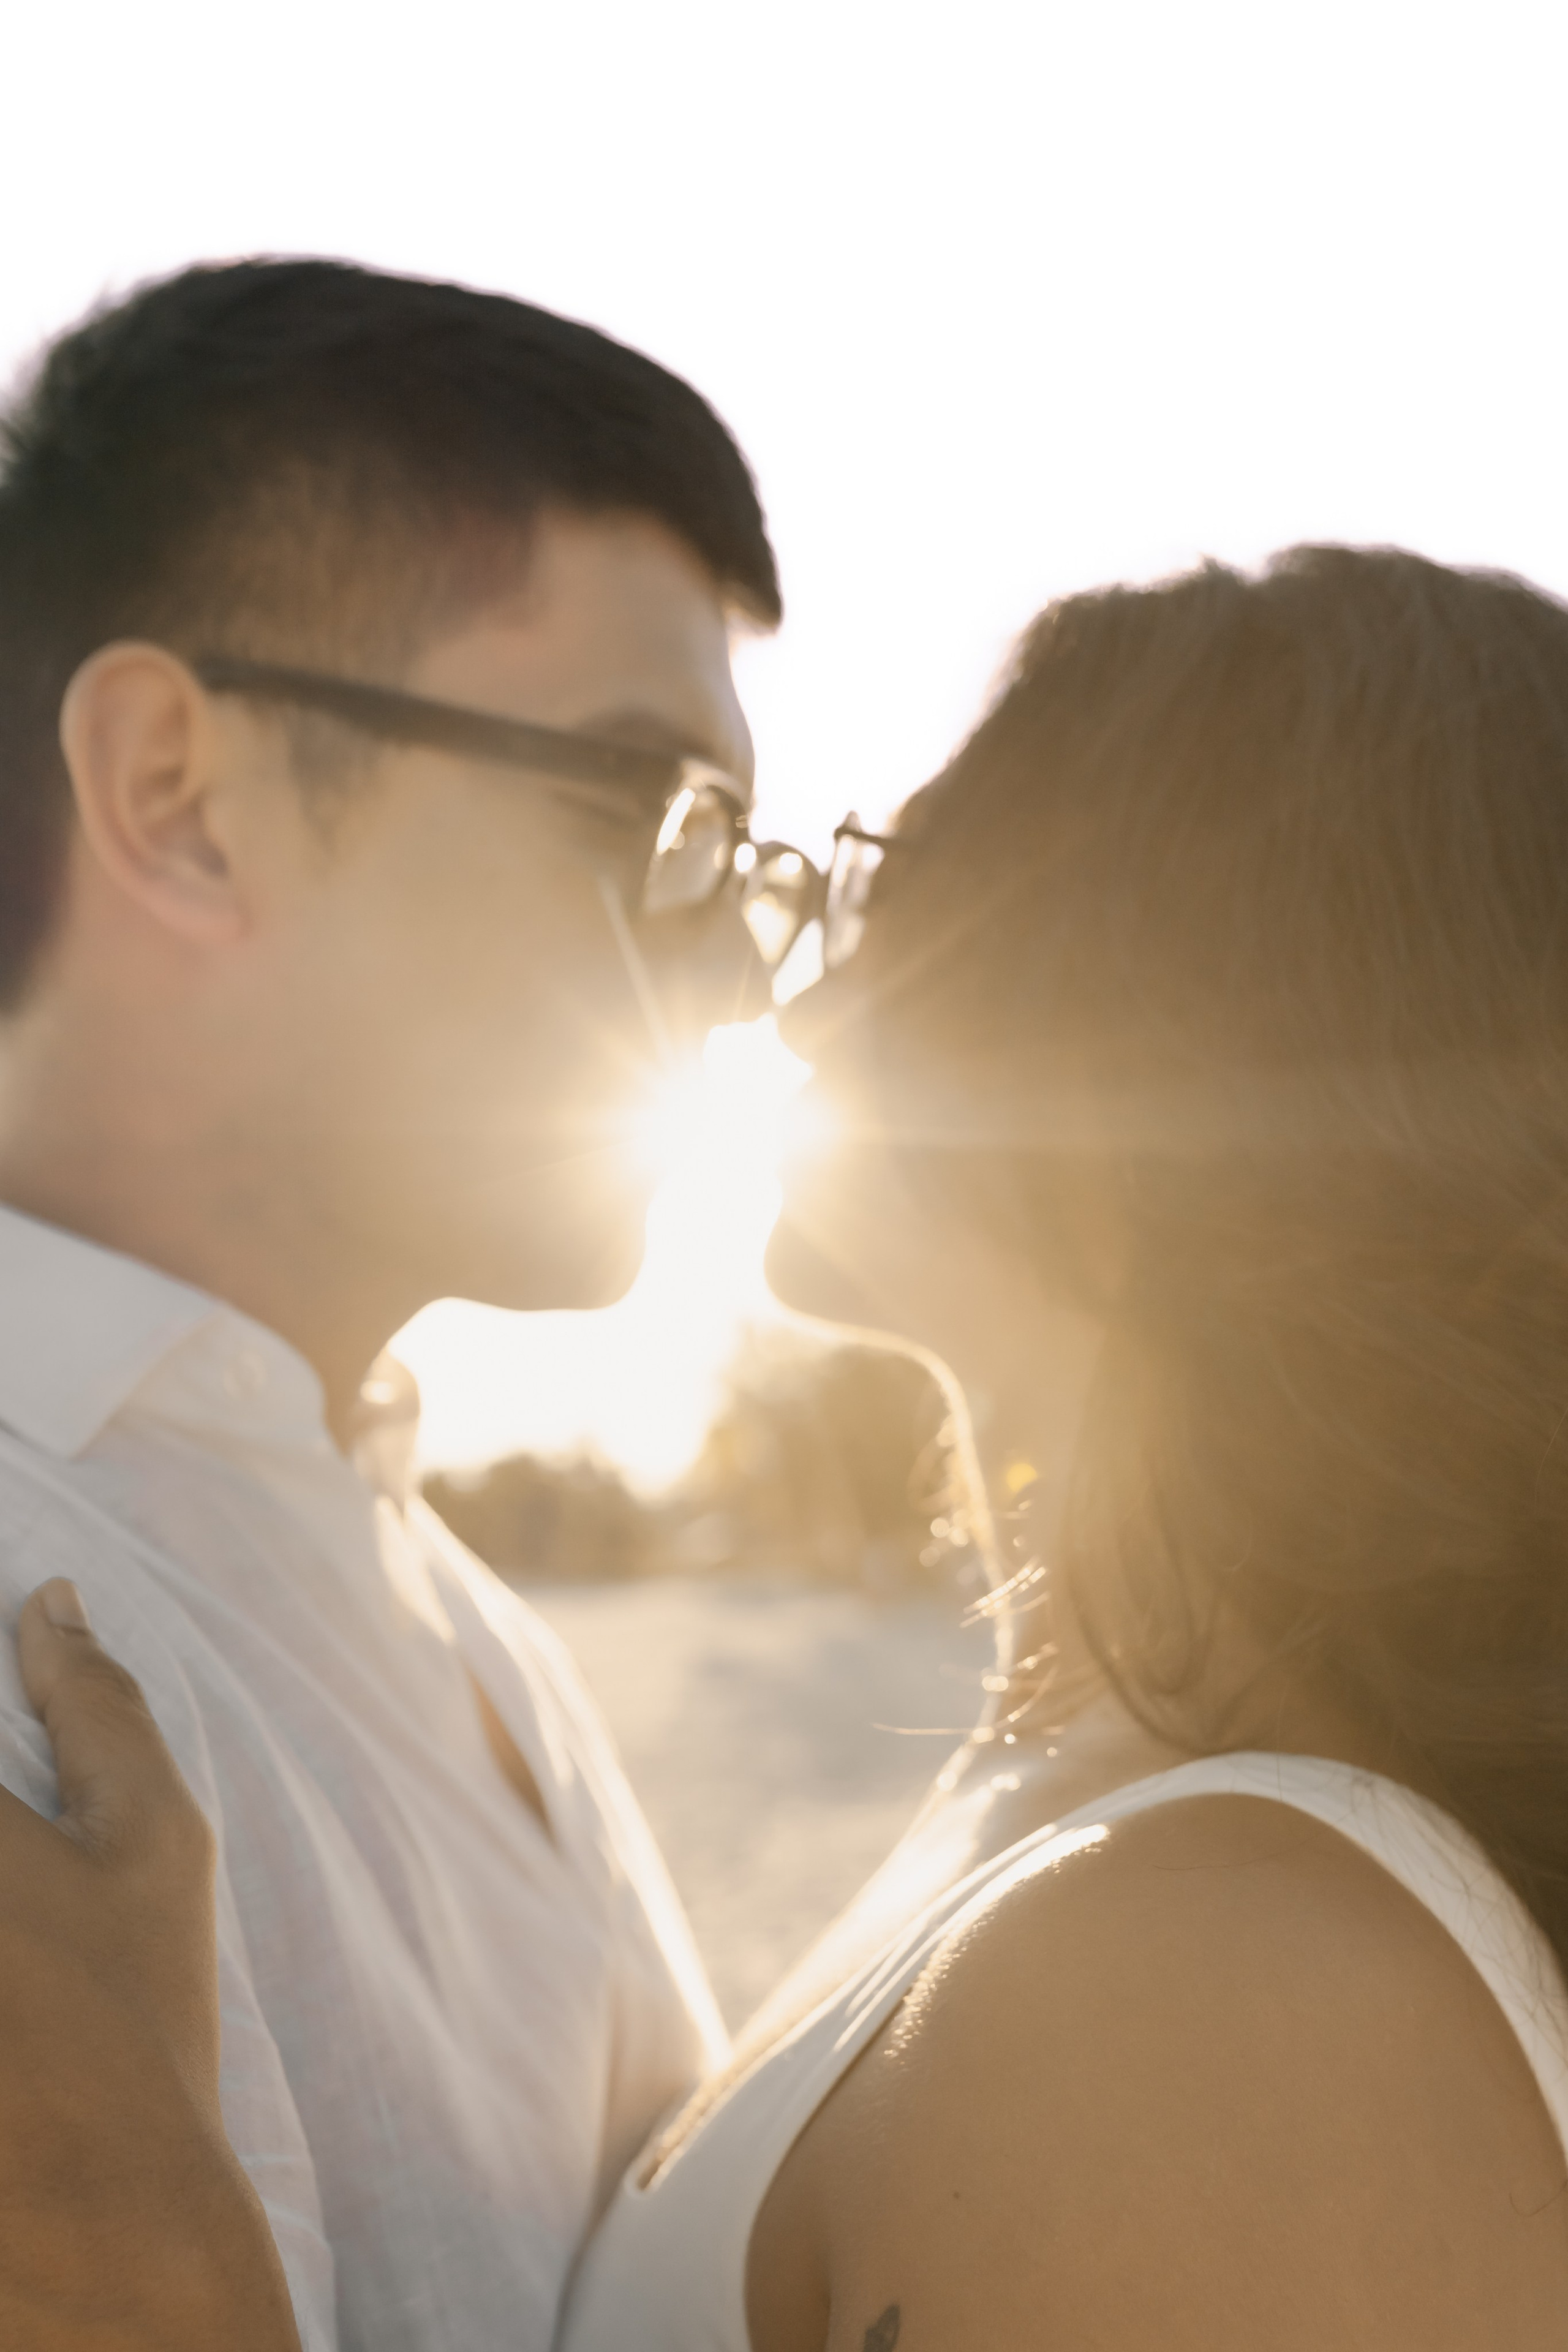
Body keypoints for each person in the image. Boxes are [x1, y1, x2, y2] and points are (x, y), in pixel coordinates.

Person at [15, 543, 1568, 2347]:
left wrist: (164, 2286)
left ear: (1193, 1015)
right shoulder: (1113, 1805)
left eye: (897, 890)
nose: (787, 997)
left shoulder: (1230, 1982)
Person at [0, 254, 788, 2350]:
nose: (734, 962)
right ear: (178, 797)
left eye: (751, 854)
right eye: (655, 819)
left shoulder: (474, 1633)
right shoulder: (34, 1600)